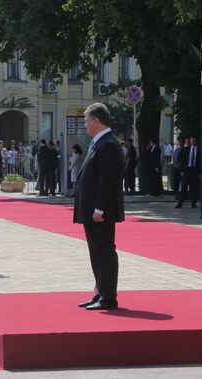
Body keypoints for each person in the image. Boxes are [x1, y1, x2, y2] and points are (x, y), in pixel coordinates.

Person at [73, 103, 124, 310]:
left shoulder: (108, 144)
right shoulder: (99, 142)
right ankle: (100, 291)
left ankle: (109, 297)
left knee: (104, 251)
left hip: (100, 212)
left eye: (86, 120)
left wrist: (99, 209)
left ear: (96, 120)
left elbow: (107, 179)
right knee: (96, 251)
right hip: (93, 210)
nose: (84, 124)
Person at [176, 136, 200, 208]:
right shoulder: (185, 150)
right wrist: (182, 170)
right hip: (186, 170)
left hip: (195, 171)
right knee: (183, 187)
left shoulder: (200, 150)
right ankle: (180, 203)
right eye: (192, 140)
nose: (193, 142)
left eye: (194, 140)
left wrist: (200, 172)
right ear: (190, 141)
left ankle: (193, 203)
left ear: (196, 141)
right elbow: (180, 160)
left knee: (194, 188)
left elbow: (201, 162)